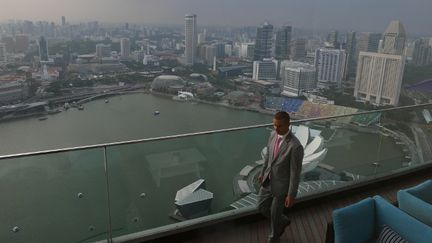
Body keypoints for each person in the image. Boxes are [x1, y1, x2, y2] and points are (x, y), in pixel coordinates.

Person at [257, 111, 304, 243]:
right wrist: (262, 173)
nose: (276, 129)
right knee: (261, 207)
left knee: (275, 213)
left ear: (288, 125)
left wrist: (291, 194)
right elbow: (268, 156)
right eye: (274, 125)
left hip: (282, 186)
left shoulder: (295, 146)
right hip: (268, 180)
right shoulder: (272, 135)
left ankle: (274, 237)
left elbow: (295, 173)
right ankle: (283, 221)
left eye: (279, 126)